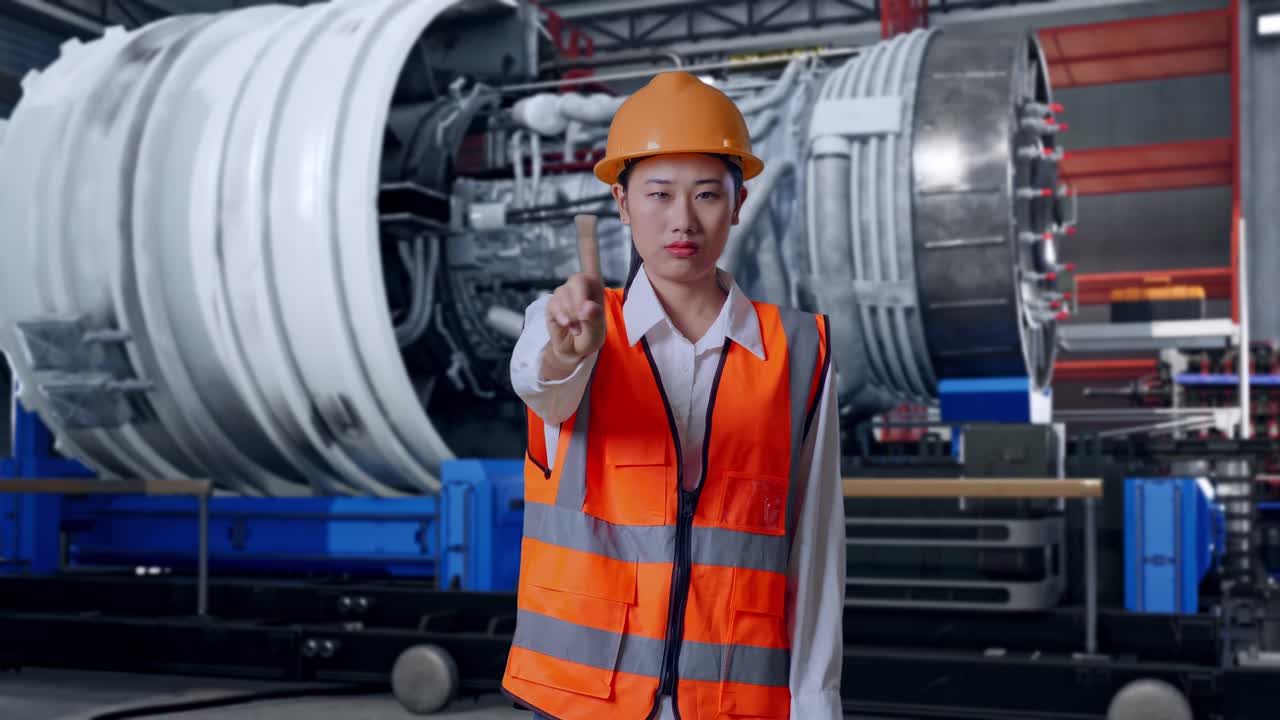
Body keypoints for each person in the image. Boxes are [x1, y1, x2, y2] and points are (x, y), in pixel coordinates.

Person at [500, 71, 845, 720]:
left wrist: (817, 705)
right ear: (622, 203)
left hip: (732, 700)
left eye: (707, 194)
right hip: (583, 704)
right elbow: (542, 387)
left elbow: (817, 547)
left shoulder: (799, 352)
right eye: (658, 194)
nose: (682, 220)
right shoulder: (567, 324)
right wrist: (568, 349)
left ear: (740, 203)